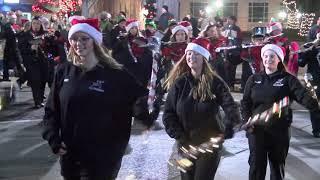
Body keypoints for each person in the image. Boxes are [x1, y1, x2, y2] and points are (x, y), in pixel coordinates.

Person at [42, 18, 153, 180]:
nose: (78, 43)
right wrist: (53, 138)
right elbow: (52, 110)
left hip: (103, 157)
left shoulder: (114, 73)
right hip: (71, 155)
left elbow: (138, 97)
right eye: (74, 38)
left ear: (94, 40)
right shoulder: (63, 71)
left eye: (84, 38)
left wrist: (146, 114)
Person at [163, 38, 241, 180]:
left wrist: (230, 124)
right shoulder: (180, 84)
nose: (191, 57)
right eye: (189, 54)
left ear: (204, 58)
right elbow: (168, 114)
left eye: (196, 54)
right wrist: (180, 136)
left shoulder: (215, 82)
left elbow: (231, 106)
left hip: (209, 146)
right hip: (185, 145)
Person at [241, 44, 320, 180]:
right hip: (256, 130)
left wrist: (314, 103)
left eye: (272, 56)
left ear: (279, 59)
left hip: (279, 130)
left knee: (277, 167)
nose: (268, 59)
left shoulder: (288, 80)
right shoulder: (254, 79)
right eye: (265, 56)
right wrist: (246, 119)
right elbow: (245, 102)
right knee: (256, 165)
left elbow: (303, 97)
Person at [298, 34, 320, 138]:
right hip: (314, 81)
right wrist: (310, 47)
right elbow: (301, 62)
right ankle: (316, 130)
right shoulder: (311, 47)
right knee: (315, 105)